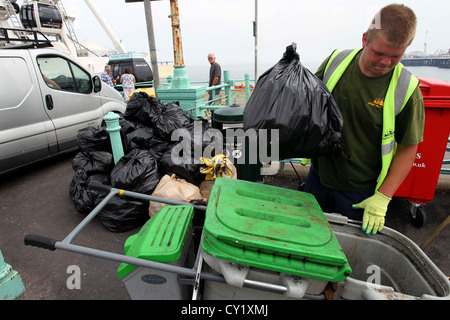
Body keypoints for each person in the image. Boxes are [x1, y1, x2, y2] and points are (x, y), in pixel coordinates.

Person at [303, 4, 425, 236]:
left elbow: (409, 148)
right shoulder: (335, 62)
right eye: (378, 53)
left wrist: (383, 196)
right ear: (364, 39)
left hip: (360, 192)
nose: (385, 62)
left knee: (347, 252)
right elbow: (308, 103)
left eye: (395, 56)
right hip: (318, 177)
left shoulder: (407, 89)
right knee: (309, 239)